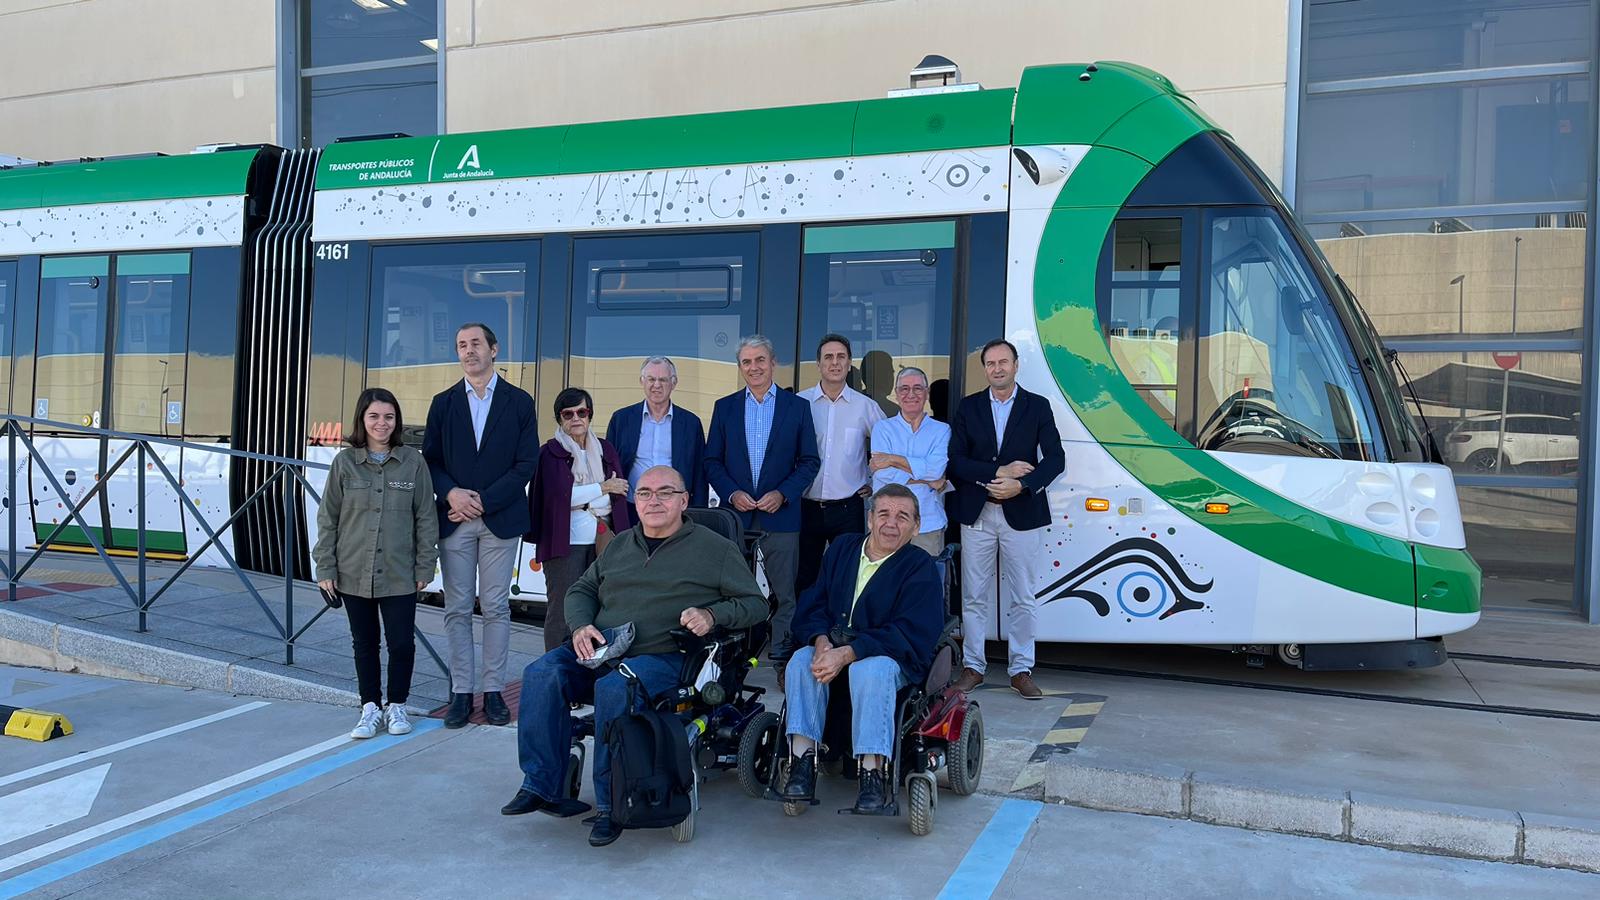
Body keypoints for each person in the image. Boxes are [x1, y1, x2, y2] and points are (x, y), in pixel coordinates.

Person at [503, 466, 769, 847]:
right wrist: (580, 627)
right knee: (542, 672)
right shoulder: (619, 544)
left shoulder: (715, 550)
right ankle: (542, 786)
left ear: (683, 500)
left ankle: (612, 805)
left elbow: (755, 605)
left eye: (664, 492)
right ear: (634, 501)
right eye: (644, 493)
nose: (653, 501)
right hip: (604, 647)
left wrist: (712, 615)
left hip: (664, 657)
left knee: (616, 687)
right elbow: (580, 591)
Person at [777, 484, 944, 812]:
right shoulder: (842, 549)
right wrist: (820, 640)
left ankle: (872, 771)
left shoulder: (919, 567)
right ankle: (801, 764)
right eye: (883, 514)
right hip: (833, 644)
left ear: (916, 526)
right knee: (801, 661)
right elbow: (814, 602)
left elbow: (910, 632)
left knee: (871, 669)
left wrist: (850, 652)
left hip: (889, 657)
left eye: (902, 517)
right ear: (869, 519)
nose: (891, 524)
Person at [422, 322, 539, 728]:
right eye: (461, 345)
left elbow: (526, 463)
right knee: (456, 608)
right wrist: (452, 494)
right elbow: (431, 461)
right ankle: (460, 692)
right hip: (454, 519)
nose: (468, 351)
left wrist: (483, 501)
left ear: (494, 349)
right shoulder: (442, 403)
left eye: (475, 344)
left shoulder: (520, 402)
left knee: (495, 607)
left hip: (499, 519)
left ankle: (492, 691)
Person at [313, 388, 439, 739]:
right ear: (362, 420)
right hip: (353, 570)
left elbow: (426, 518)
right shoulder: (344, 463)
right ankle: (369, 707)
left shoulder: (413, 462)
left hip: (400, 572)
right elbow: (328, 518)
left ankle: (396, 705)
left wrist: (425, 566)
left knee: (401, 644)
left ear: (396, 421)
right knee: (364, 642)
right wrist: (326, 567)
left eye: (389, 417)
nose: (381, 423)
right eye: (374, 416)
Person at [949, 338, 1064, 700]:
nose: (997, 368)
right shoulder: (969, 408)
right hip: (977, 512)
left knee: (1023, 597)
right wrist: (998, 471)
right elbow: (955, 462)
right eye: (990, 363)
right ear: (984, 368)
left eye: (1003, 362)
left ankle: (1021, 669)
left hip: (1022, 513)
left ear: (1016, 365)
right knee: (974, 597)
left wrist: (1022, 485)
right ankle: (973, 667)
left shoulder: (1037, 406)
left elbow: (1055, 460)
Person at [704, 334, 820, 661]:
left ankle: (782, 656)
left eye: (760, 360)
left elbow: (810, 460)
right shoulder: (724, 408)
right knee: (732, 590)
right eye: (746, 362)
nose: (753, 367)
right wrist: (732, 492)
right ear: (739, 367)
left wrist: (783, 494)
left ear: (773, 363)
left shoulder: (797, 407)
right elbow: (712, 461)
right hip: (736, 517)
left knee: (785, 593)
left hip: (781, 516)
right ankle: (734, 655)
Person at [527, 387, 634, 653]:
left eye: (582, 412)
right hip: (565, 544)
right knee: (563, 610)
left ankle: (592, 666)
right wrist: (601, 488)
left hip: (604, 540)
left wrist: (583, 496)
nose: (576, 418)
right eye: (568, 414)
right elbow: (555, 498)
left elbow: (618, 492)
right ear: (560, 419)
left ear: (590, 415)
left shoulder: (605, 449)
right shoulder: (550, 452)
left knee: (601, 608)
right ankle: (554, 666)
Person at [797, 334, 884, 594]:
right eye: (828, 357)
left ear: (849, 364)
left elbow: (888, 450)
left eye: (841, 357)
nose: (834, 363)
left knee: (846, 576)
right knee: (804, 576)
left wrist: (872, 481)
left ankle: (839, 631)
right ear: (819, 364)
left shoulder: (865, 407)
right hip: (804, 508)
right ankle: (804, 633)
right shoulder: (799, 404)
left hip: (848, 509)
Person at [605, 356, 708, 512]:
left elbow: (700, 474)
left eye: (663, 380)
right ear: (642, 381)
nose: (656, 385)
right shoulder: (621, 419)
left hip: (674, 510)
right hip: (631, 507)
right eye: (651, 379)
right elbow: (608, 466)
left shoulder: (691, 423)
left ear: (674, 383)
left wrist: (699, 513)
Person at [870, 367, 950, 557]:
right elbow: (883, 477)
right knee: (888, 584)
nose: (911, 394)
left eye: (918, 388)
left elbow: (936, 470)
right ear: (896, 394)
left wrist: (892, 459)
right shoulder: (882, 429)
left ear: (927, 393)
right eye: (904, 389)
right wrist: (927, 479)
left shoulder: (942, 430)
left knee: (926, 583)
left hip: (928, 524)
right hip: (887, 526)